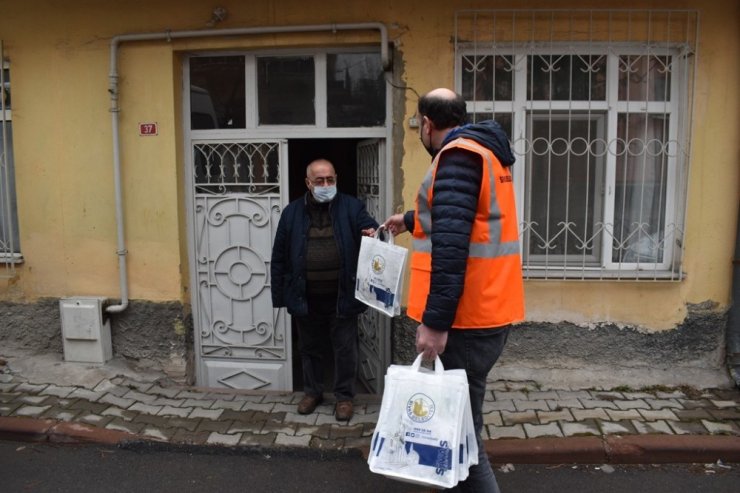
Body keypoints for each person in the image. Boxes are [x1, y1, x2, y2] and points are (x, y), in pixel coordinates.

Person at [384, 88, 525, 492]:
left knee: (462, 441)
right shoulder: (484, 152)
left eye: (419, 127)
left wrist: (434, 324)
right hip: (490, 312)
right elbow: (466, 216)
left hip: (465, 321)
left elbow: (451, 247)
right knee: (461, 434)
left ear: (427, 123)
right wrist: (410, 219)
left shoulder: (457, 156)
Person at [271, 158, 378, 421]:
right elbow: (279, 256)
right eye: (320, 181)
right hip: (305, 295)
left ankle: (344, 397)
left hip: (342, 295)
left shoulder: (352, 207)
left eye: (330, 179)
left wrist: (373, 233)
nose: (326, 185)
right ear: (308, 183)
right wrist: (280, 295)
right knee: (310, 347)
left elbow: (372, 229)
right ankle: (313, 392)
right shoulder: (291, 212)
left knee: (345, 349)